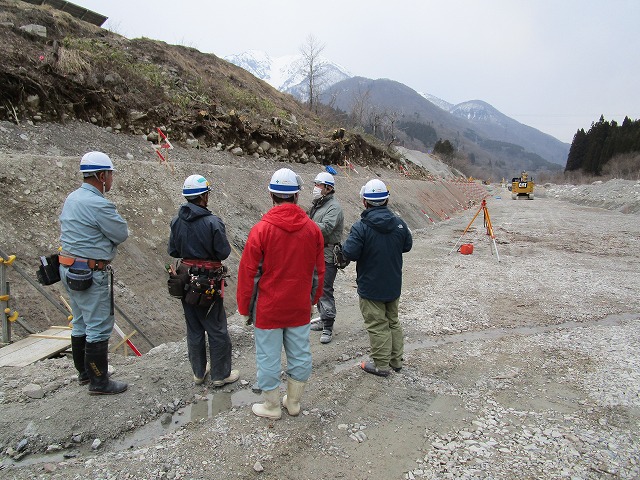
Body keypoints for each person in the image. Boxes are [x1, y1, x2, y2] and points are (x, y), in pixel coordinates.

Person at [237, 168, 325, 419]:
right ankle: (294, 402)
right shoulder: (312, 230)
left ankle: (272, 406)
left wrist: (245, 308)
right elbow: (319, 273)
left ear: (272, 196)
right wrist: (312, 300)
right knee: (300, 354)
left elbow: (249, 275)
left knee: (268, 357)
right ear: (296, 197)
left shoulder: (261, 230)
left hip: (268, 309)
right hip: (298, 307)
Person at [59, 151, 129, 395]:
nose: (111, 180)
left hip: (68, 268)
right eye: (110, 175)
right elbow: (121, 233)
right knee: (98, 326)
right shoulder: (98, 203)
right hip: (89, 272)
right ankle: (99, 382)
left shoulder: (73, 198)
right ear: (102, 176)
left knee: (80, 322)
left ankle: (84, 373)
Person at [168, 174, 239, 387]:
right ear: (204, 196)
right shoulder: (212, 222)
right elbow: (223, 252)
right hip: (208, 283)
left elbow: (173, 250)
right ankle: (220, 375)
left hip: (185, 279)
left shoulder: (176, 220)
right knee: (216, 328)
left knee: (194, 328)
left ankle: (199, 373)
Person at [342, 179, 412, 377]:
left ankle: (381, 365)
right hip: (393, 283)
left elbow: (350, 252)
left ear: (365, 202)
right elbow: (407, 246)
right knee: (392, 321)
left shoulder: (361, 227)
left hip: (370, 286)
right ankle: (396, 361)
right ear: (387, 199)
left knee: (377, 324)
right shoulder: (399, 223)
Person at [308, 171, 344, 344]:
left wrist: (305, 224)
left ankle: (328, 326)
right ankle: (323, 319)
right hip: (316, 253)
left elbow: (327, 227)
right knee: (317, 288)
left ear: (328, 188)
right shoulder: (319, 204)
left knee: (325, 289)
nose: (315, 188)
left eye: (318, 185)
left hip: (328, 255)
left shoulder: (333, 208)